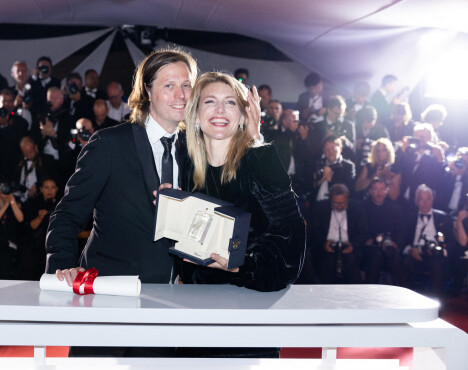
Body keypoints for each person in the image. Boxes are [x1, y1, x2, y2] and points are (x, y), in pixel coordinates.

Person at [46, 48, 200, 282]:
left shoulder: (194, 150)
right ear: (147, 90)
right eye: (169, 85)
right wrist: (63, 266)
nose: (181, 94)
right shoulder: (109, 144)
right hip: (113, 290)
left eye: (186, 85)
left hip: (174, 293)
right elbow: (67, 214)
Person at [179, 71, 305, 292]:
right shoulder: (182, 165)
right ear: (196, 114)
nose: (220, 110)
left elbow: (290, 250)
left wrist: (239, 265)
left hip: (250, 298)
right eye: (210, 101)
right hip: (193, 298)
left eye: (230, 102)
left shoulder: (261, 162)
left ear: (242, 115)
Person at [309, 183, 366, 284]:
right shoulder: (320, 208)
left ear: (347, 199)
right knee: (326, 264)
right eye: (336, 203)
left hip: (349, 248)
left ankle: (357, 293)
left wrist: (353, 246)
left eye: (343, 203)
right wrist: (324, 243)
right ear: (330, 200)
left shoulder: (357, 208)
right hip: (326, 248)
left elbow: (362, 232)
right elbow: (314, 231)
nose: (340, 206)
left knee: (351, 261)